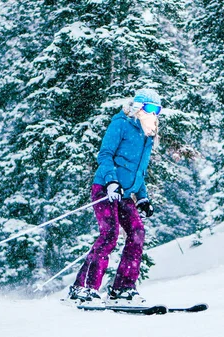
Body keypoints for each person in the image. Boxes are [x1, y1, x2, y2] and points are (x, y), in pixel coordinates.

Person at [67, 89, 161, 307]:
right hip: (105, 188)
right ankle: (83, 288)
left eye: (158, 110)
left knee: (137, 232)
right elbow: (105, 155)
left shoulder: (147, 135)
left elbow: (138, 171)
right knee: (110, 234)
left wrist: (143, 197)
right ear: (138, 107)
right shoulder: (121, 123)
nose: (153, 114)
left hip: (126, 194)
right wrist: (111, 181)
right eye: (149, 108)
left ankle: (122, 289)